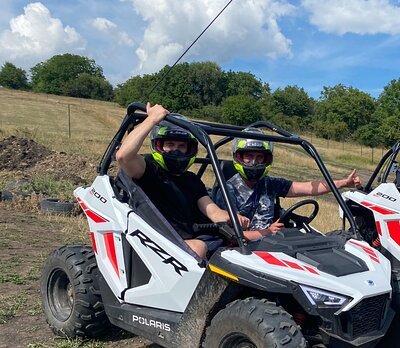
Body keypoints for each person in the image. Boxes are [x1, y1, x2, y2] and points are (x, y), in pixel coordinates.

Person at [115, 102, 239, 258]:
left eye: (181, 146)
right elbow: (123, 156)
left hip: (187, 240)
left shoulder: (192, 180)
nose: (175, 150)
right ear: (158, 145)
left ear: (190, 149)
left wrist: (231, 217)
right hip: (157, 240)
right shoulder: (149, 170)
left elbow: (212, 211)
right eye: (170, 144)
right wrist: (152, 119)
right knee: (197, 248)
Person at [213, 127, 362, 241]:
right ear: (238, 157)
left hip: (273, 242)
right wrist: (268, 232)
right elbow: (230, 236)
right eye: (249, 156)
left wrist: (343, 183)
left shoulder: (269, 183)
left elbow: (308, 188)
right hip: (245, 252)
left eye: (259, 157)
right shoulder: (227, 190)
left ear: (267, 159)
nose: (254, 162)